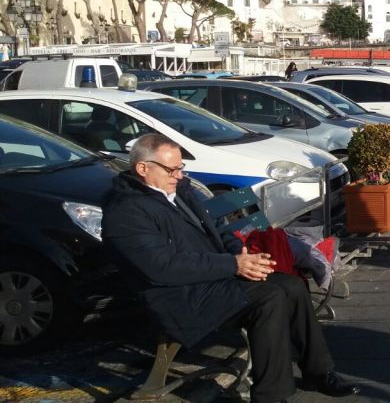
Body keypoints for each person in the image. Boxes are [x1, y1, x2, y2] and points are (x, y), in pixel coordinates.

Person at [102, 134, 359, 403]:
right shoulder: (125, 211)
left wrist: (242, 255)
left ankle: (318, 372)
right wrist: (233, 264)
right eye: (172, 169)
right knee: (268, 299)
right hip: (180, 297)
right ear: (143, 168)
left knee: (291, 285)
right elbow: (162, 267)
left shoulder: (179, 191)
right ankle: (271, 395)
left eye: (181, 168)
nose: (178, 175)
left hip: (213, 278)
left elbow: (219, 231)